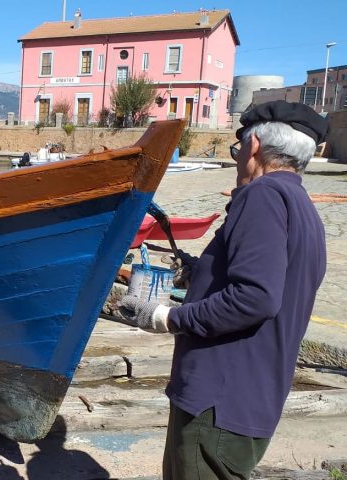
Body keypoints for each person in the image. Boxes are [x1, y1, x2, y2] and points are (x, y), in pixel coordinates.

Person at [118, 100, 328, 480]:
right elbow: (275, 283)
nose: (237, 160)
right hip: (251, 399)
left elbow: (256, 297)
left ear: (254, 147)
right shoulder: (302, 207)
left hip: (216, 402)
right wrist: (202, 274)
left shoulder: (262, 196)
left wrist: (168, 318)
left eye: (238, 150)